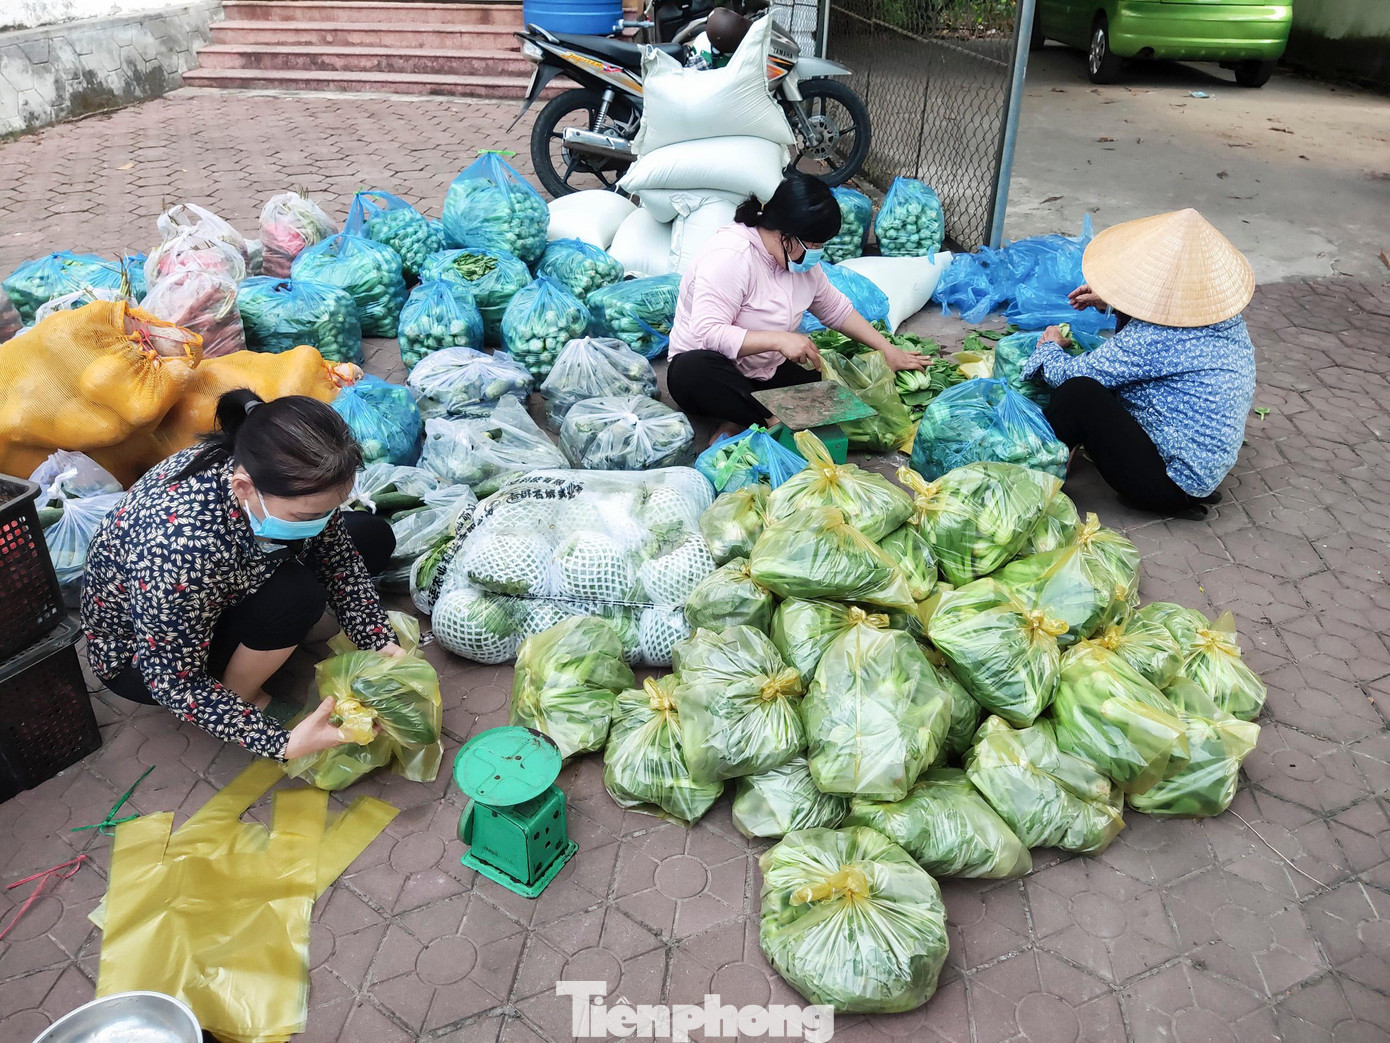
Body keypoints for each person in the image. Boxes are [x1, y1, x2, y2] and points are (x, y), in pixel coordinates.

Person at [81, 390, 400, 762]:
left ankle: (266, 643)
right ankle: (242, 696)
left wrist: (379, 641)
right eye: (306, 516)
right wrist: (281, 744)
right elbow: (172, 680)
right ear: (243, 488)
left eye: (330, 509)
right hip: (144, 660)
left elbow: (338, 556)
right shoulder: (182, 550)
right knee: (297, 595)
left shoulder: (275, 470)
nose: (323, 522)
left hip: (217, 582)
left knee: (371, 536)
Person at [1022, 208, 1256, 520]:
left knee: (1078, 393)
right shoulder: (1223, 320)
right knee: (1107, 379)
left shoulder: (1157, 336)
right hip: (1201, 471)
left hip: (1169, 482)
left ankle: (1026, 476)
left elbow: (1071, 375)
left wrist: (1049, 348)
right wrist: (1115, 303)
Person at [667, 173, 926, 442]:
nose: (817, 252)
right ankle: (766, 419)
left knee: (832, 389)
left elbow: (835, 309)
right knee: (692, 370)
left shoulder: (799, 263)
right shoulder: (731, 257)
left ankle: (740, 419)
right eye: (813, 244)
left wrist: (887, 349)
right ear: (785, 234)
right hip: (713, 372)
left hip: (763, 371)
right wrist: (780, 340)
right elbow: (709, 333)